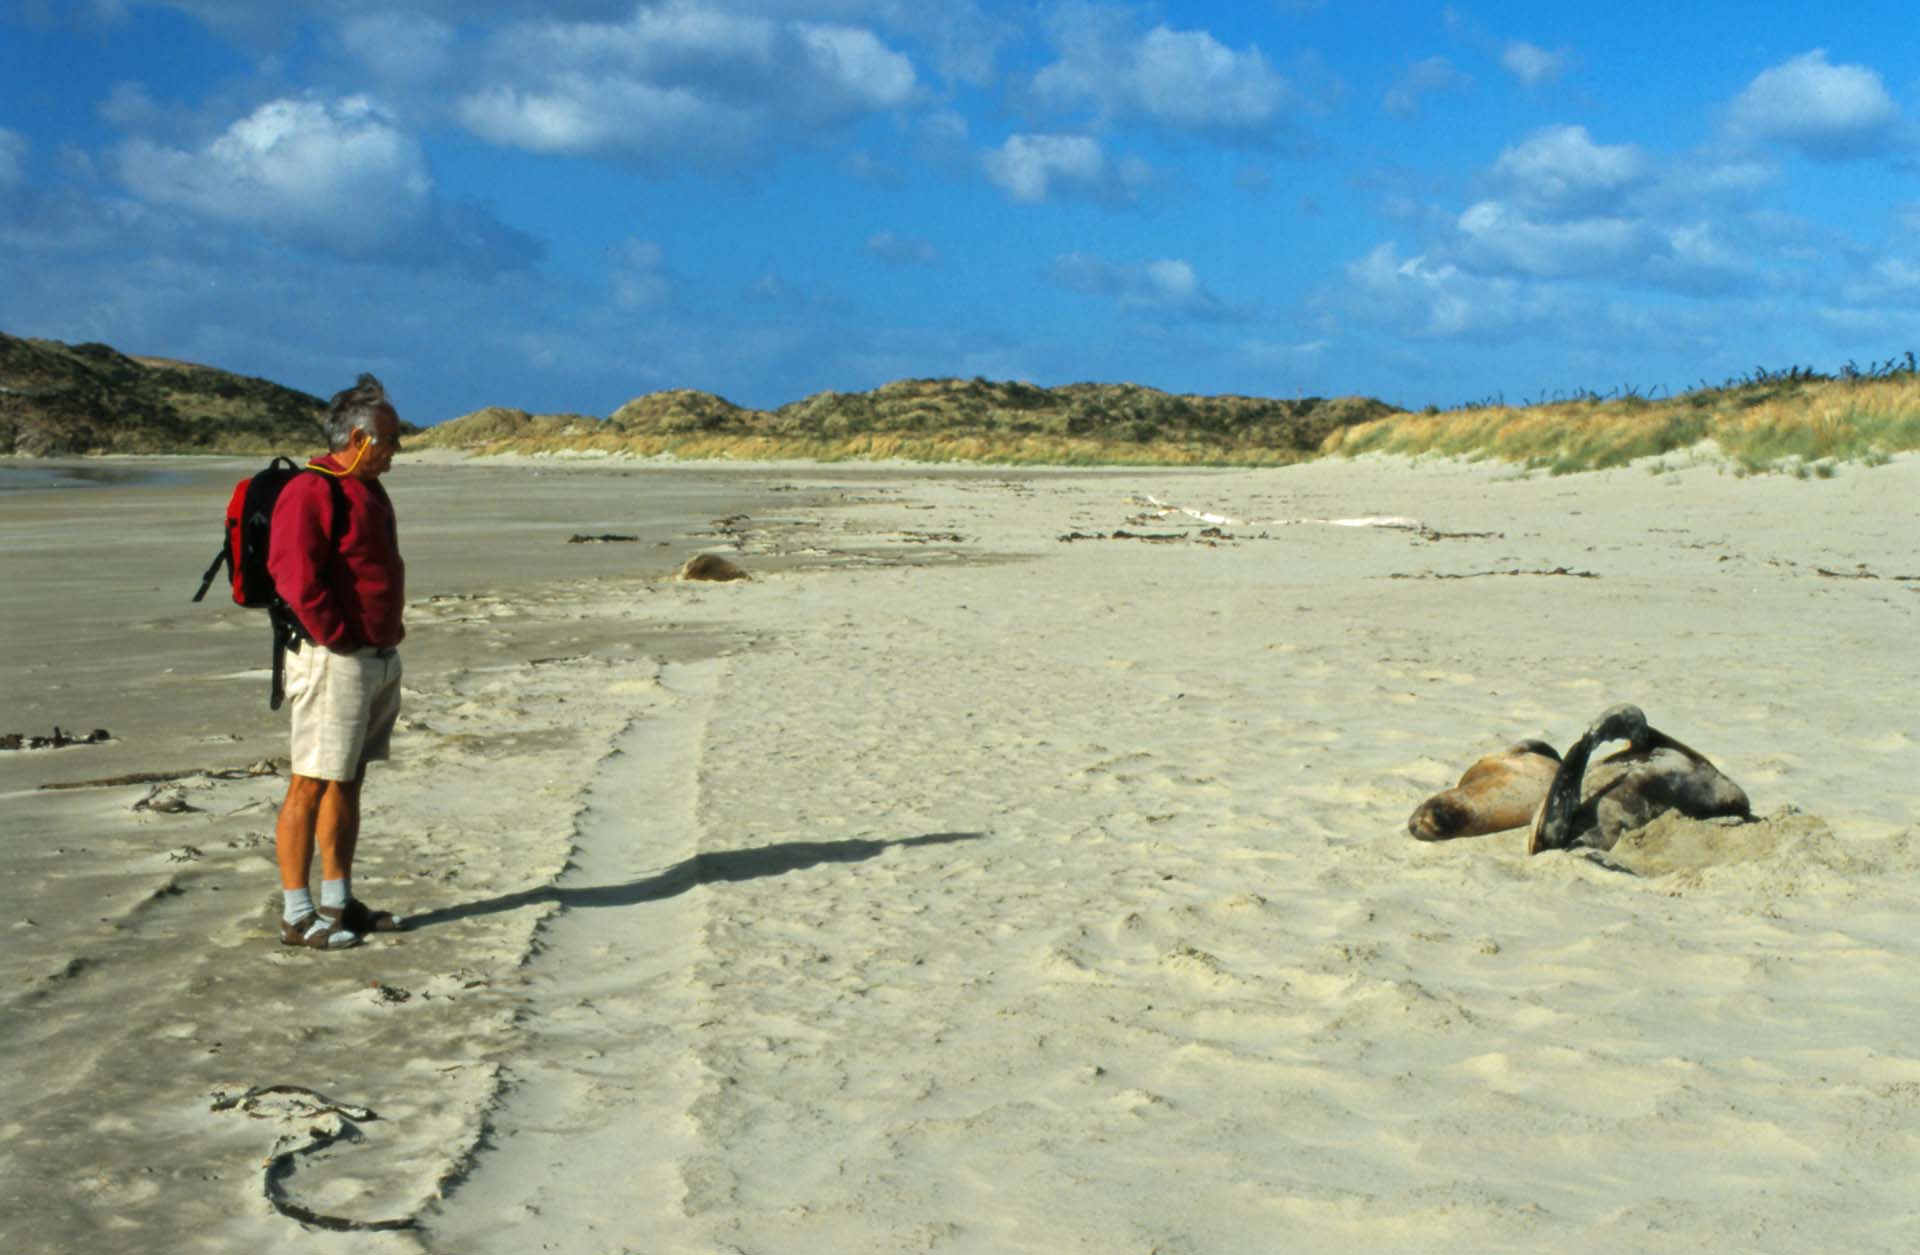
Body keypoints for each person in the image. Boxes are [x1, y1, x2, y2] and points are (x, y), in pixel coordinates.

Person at [268, 373, 407, 950]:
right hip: (335, 660)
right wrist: (339, 639)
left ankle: (337, 900)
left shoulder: (367, 488)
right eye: (390, 439)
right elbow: (294, 577)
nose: (397, 449)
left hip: (375, 657)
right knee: (310, 781)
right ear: (358, 438)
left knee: (347, 781)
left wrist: (381, 638)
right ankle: (297, 913)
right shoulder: (311, 490)